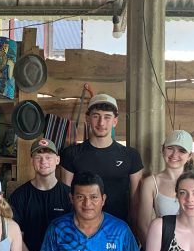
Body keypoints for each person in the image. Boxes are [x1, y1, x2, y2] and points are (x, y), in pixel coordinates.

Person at [59, 94, 143, 224]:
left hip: (118, 230)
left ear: (115, 121)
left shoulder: (131, 156)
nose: (101, 123)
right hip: (81, 229)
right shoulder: (71, 154)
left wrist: (134, 230)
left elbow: (136, 202)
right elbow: (66, 197)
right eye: (96, 116)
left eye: (107, 117)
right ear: (87, 119)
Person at [136, 130, 194, 244]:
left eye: (182, 150)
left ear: (189, 156)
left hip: (193, 249)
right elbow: (143, 225)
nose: (174, 155)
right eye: (170, 148)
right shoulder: (151, 183)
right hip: (162, 247)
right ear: (162, 149)